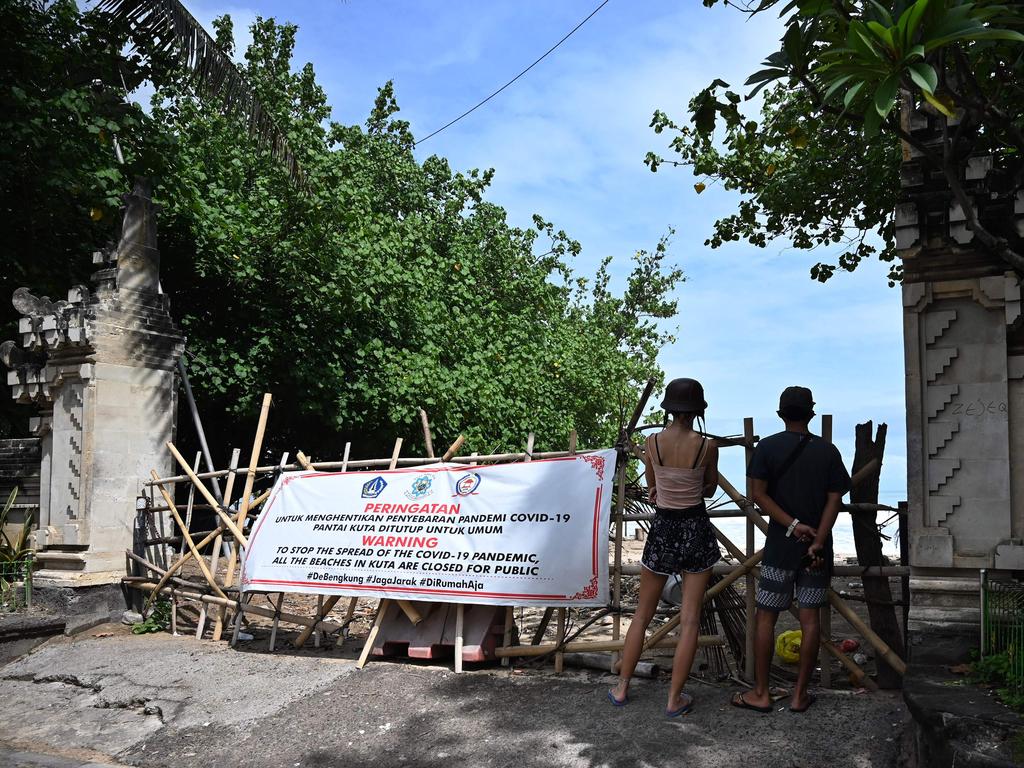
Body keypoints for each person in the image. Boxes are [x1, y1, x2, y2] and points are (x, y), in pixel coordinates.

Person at [732, 386, 850, 714]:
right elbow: (835, 499)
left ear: (781, 415)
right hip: (816, 552)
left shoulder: (768, 448)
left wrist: (792, 525)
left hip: (781, 548)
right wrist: (816, 538)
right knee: (811, 621)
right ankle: (799, 695)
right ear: (810, 414)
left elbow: (758, 495)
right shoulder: (828, 451)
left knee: (766, 617)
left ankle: (761, 692)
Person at [608, 377, 720, 717]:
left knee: (642, 615)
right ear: (698, 410)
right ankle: (674, 700)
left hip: (663, 529)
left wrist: (665, 490)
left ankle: (622, 687)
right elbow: (709, 490)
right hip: (695, 530)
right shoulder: (707, 446)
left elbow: (653, 489)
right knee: (689, 620)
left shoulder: (652, 442)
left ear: (669, 409)